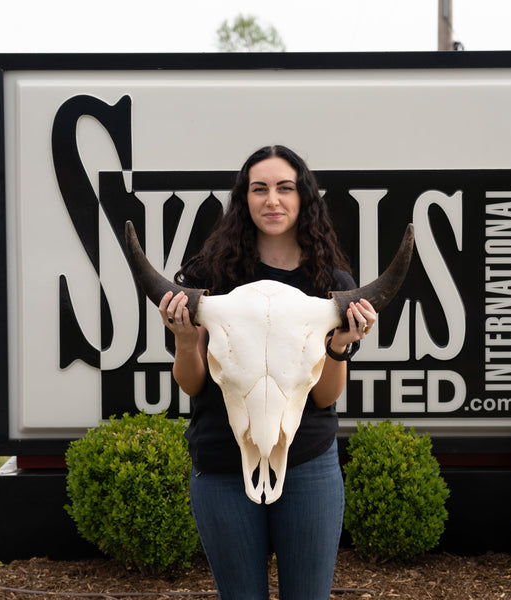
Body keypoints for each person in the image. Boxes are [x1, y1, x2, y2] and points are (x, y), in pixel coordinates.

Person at [158, 145, 376, 600]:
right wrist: (183, 339)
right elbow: (194, 384)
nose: (272, 200)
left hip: (308, 463)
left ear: (304, 198)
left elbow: (323, 397)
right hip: (220, 461)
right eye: (259, 189)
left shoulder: (330, 285)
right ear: (244, 199)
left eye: (285, 188)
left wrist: (338, 346)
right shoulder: (207, 276)